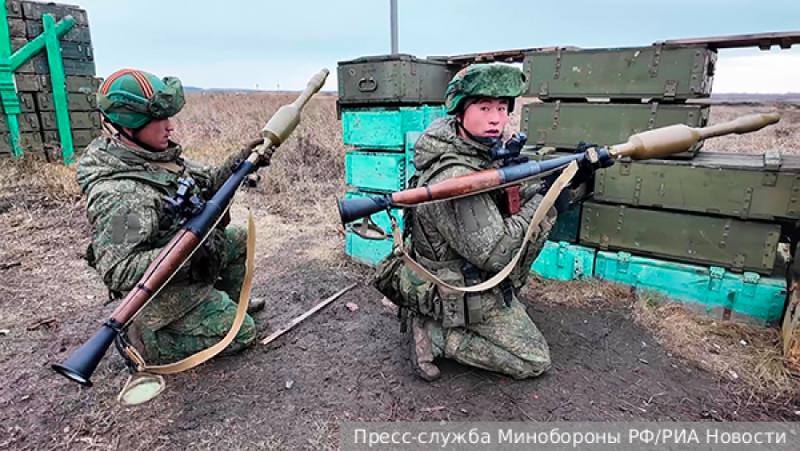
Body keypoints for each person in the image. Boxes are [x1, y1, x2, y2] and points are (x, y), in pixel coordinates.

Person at [391, 63, 583, 381]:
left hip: (465, 270)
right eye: (484, 108)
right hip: (456, 285)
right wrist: (550, 204)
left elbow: (510, 191)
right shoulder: (454, 176)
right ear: (461, 112)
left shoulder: (475, 148)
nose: (496, 118)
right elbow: (497, 253)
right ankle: (436, 335)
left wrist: (569, 175)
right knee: (533, 359)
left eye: (502, 108)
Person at [76, 68, 263, 364]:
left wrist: (240, 163)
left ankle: (226, 305)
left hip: (186, 268)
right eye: (158, 119)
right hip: (158, 291)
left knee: (237, 237)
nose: (170, 127)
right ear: (129, 125)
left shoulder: (156, 159)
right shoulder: (123, 193)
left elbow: (208, 182)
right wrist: (185, 252)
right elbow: (118, 270)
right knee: (242, 335)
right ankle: (146, 342)